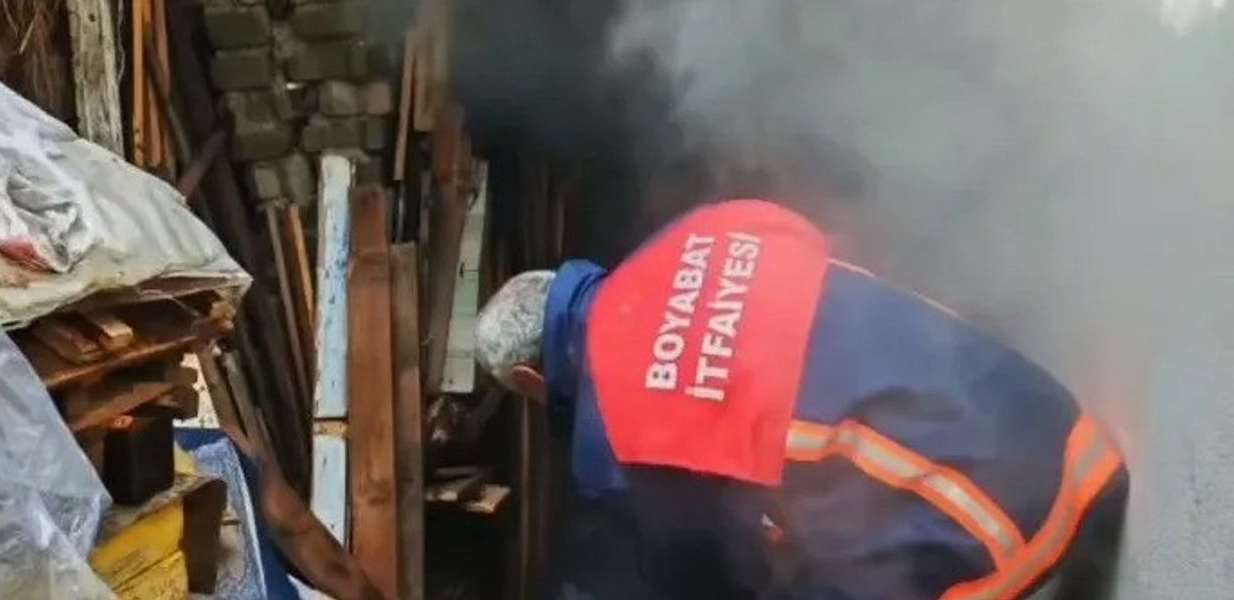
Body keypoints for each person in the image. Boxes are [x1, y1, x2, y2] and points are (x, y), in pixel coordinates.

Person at [475, 199, 1128, 600]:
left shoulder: (611, 432)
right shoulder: (708, 228)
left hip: (1016, 531)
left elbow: (695, 567)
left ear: (534, 380)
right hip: (1067, 436)